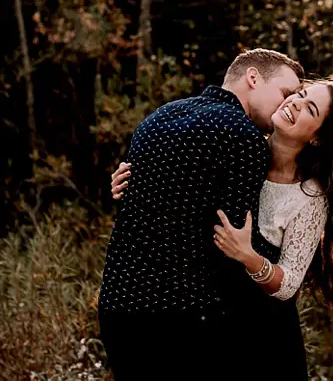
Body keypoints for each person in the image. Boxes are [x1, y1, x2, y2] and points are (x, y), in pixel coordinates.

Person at [111, 79, 333, 380]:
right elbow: (179, 197)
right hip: (209, 319)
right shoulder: (238, 146)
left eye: (310, 109)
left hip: (263, 334)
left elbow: (289, 284)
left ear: (318, 139)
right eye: (300, 94)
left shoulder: (309, 196)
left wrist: (249, 257)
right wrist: (130, 180)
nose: (296, 103)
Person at [97, 48, 304, 380]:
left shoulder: (158, 118)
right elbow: (232, 245)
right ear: (253, 77)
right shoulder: (244, 137)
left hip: (118, 311)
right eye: (285, 93)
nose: (287, 105)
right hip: (180, 322)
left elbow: (141, 208)